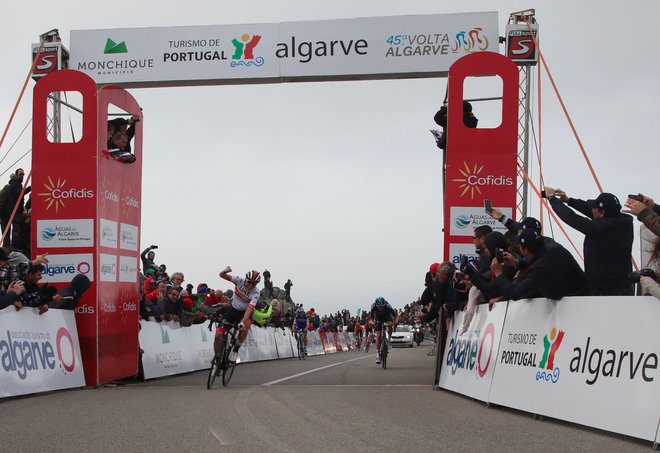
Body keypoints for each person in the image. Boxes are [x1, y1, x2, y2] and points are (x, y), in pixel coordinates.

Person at [545, 187, 634, 295]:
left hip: (605, 290)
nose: (591, 210)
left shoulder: (600, 228)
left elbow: (571, 218)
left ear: (602, 213)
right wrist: (569, 200)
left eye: (594, 208)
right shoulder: (624, 222)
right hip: (623, 286)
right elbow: (592, 212)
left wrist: (551, 199)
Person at [492, 228, 586, 301]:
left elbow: (515, 293)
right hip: (583, 296)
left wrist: (498, 273)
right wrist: (517, 262)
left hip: (573, 306)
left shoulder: (539, 270)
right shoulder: (554, 248)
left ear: (525, 249)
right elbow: (539, 262)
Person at [213, 266, 261, 362]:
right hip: (232, 309)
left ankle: (236, 349)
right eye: (249, 282)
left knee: (246, 325)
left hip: (244, 313)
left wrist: (242, 322)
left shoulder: (256, 292)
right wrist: (225, 270)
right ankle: (217, 358)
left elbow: (250, 308)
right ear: (245, 279)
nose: (250, 286)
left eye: (254, 284)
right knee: (218, 335)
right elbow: (222, 275)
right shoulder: (239, 280)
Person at [0, 169, 31, 247]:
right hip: (11, 212)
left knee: (7, 232)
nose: (22, 176)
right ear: (16, 174)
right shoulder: (15, 183)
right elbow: (20, 193)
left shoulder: (14, 183)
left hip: (5, 213)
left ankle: (7, 247)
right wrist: (30, 187)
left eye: (23, 174)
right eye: (20, 174)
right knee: (21, 226)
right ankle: (13, 246)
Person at [370, 297, 397, 364]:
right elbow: (370, 319)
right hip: (378, 318)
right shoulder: (373, 306)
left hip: (387, 317)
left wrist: (395, 322)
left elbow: (396, 316)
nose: (380, 308)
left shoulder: (388, 306)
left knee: (390, 325)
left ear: (384, 304)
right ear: (376, 305)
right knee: (378, 335)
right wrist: (373, 323)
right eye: (379, 307)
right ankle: (377, 354)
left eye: (382, 307)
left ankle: (389, 339)